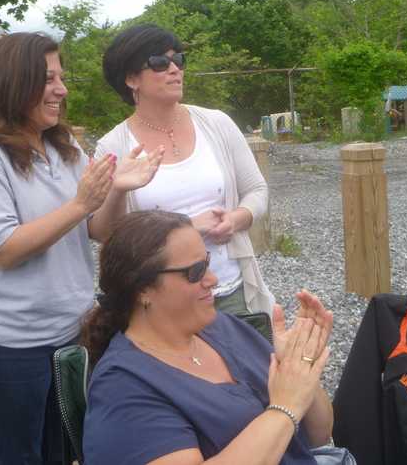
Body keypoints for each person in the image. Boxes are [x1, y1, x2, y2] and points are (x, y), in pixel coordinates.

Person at [0, 32, 164, 464]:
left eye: (61, 78)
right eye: (48, 79)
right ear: (11, 83)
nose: (61, 90)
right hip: (6, 345)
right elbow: (4, 248)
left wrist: (116, 189)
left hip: (69, 333)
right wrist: (80, 202)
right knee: (20, 456)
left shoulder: (62, 148)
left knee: (65, 452)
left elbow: (99, 229)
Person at [81, 210, 354, 464]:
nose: (212, 278)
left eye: (208, 263)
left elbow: (319, 434)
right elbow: (289, 410)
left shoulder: (223, 328)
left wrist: (299, 366)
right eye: (196, 272)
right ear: (142, 290)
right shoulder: (122, 387)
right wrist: (284, 408)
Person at [96, 23, 275, 319]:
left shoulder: (216, 123)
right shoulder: (113, 146)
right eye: (159, 62)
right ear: (130, 79)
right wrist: (119, 189)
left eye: (178, 60)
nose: (174, 69)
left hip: (230, 290)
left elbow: (257, 190)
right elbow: (106, 234)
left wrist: (235, 218)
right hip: (162, 306)